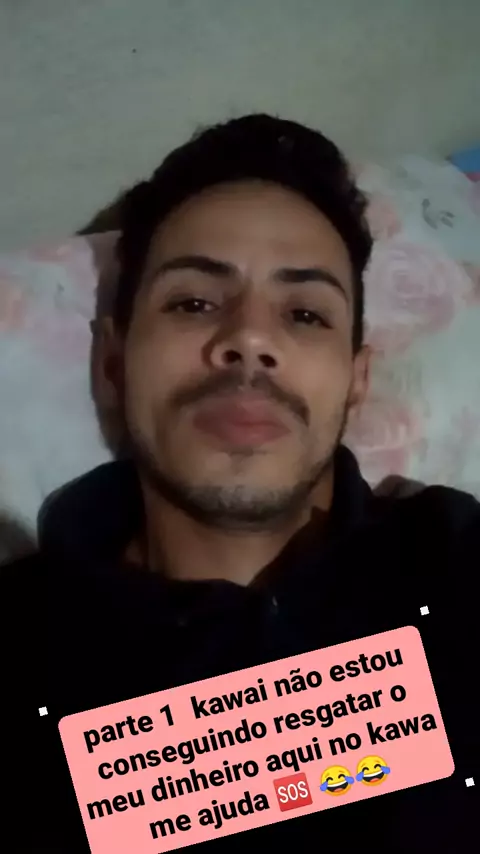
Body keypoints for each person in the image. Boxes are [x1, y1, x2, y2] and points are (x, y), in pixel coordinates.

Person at [1, 113, 478, 853]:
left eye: (306, 314)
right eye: (193, 303)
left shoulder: (456, 558)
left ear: (357, 380)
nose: (251, 338)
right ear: (114, 362)